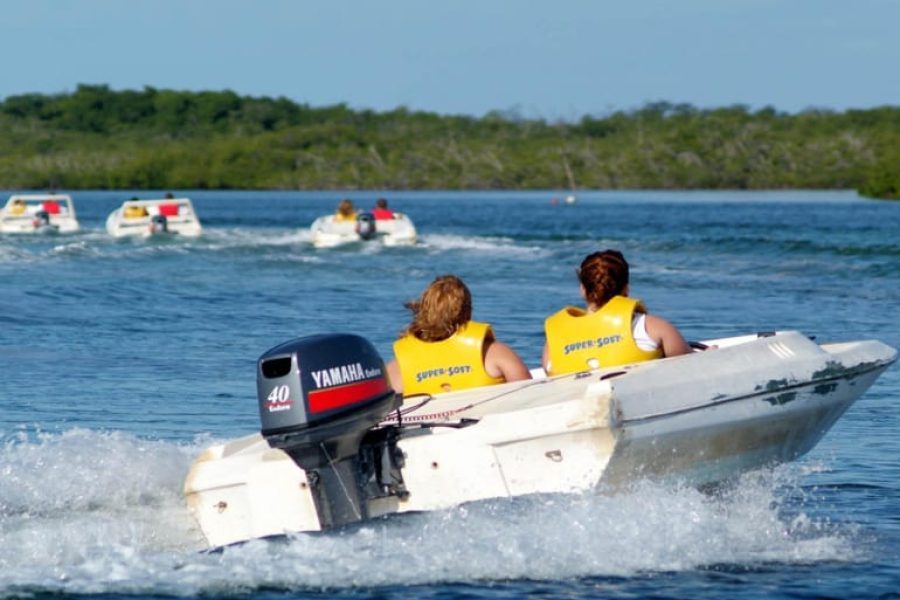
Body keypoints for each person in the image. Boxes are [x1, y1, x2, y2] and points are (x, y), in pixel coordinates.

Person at [542, 249, 691, 376]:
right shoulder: (652, 327)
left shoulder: (554, 342)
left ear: (583, 290)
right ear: (626, 289)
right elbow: (691, 366)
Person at [386, 275, 532, 396]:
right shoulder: (494, 353)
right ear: (468, 311)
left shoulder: (398, 366)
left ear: (423, 310)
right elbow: (531, 395)